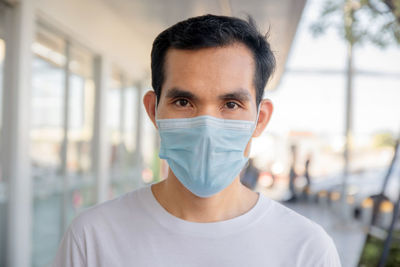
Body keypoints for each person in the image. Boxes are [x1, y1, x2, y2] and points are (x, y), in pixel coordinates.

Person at [52, 14, 341, 266]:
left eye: (230, 104)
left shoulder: (307, 249)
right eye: (183, 102)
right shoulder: (92, 238)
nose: (206, 127)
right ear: (153, 110)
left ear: (261, 119)